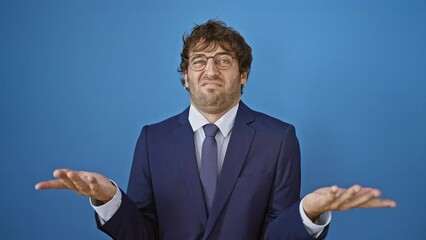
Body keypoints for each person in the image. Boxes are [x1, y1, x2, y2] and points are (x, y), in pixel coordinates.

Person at [35, 19, 396, 240]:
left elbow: (276, 235)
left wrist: (308, 213)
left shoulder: (280, 138)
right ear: (185, 77)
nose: (211, 70)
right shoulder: (152, 139)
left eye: (224, 61)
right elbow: (142, 234)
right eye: (199, 61)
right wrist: (109, 198)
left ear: (243, 75)